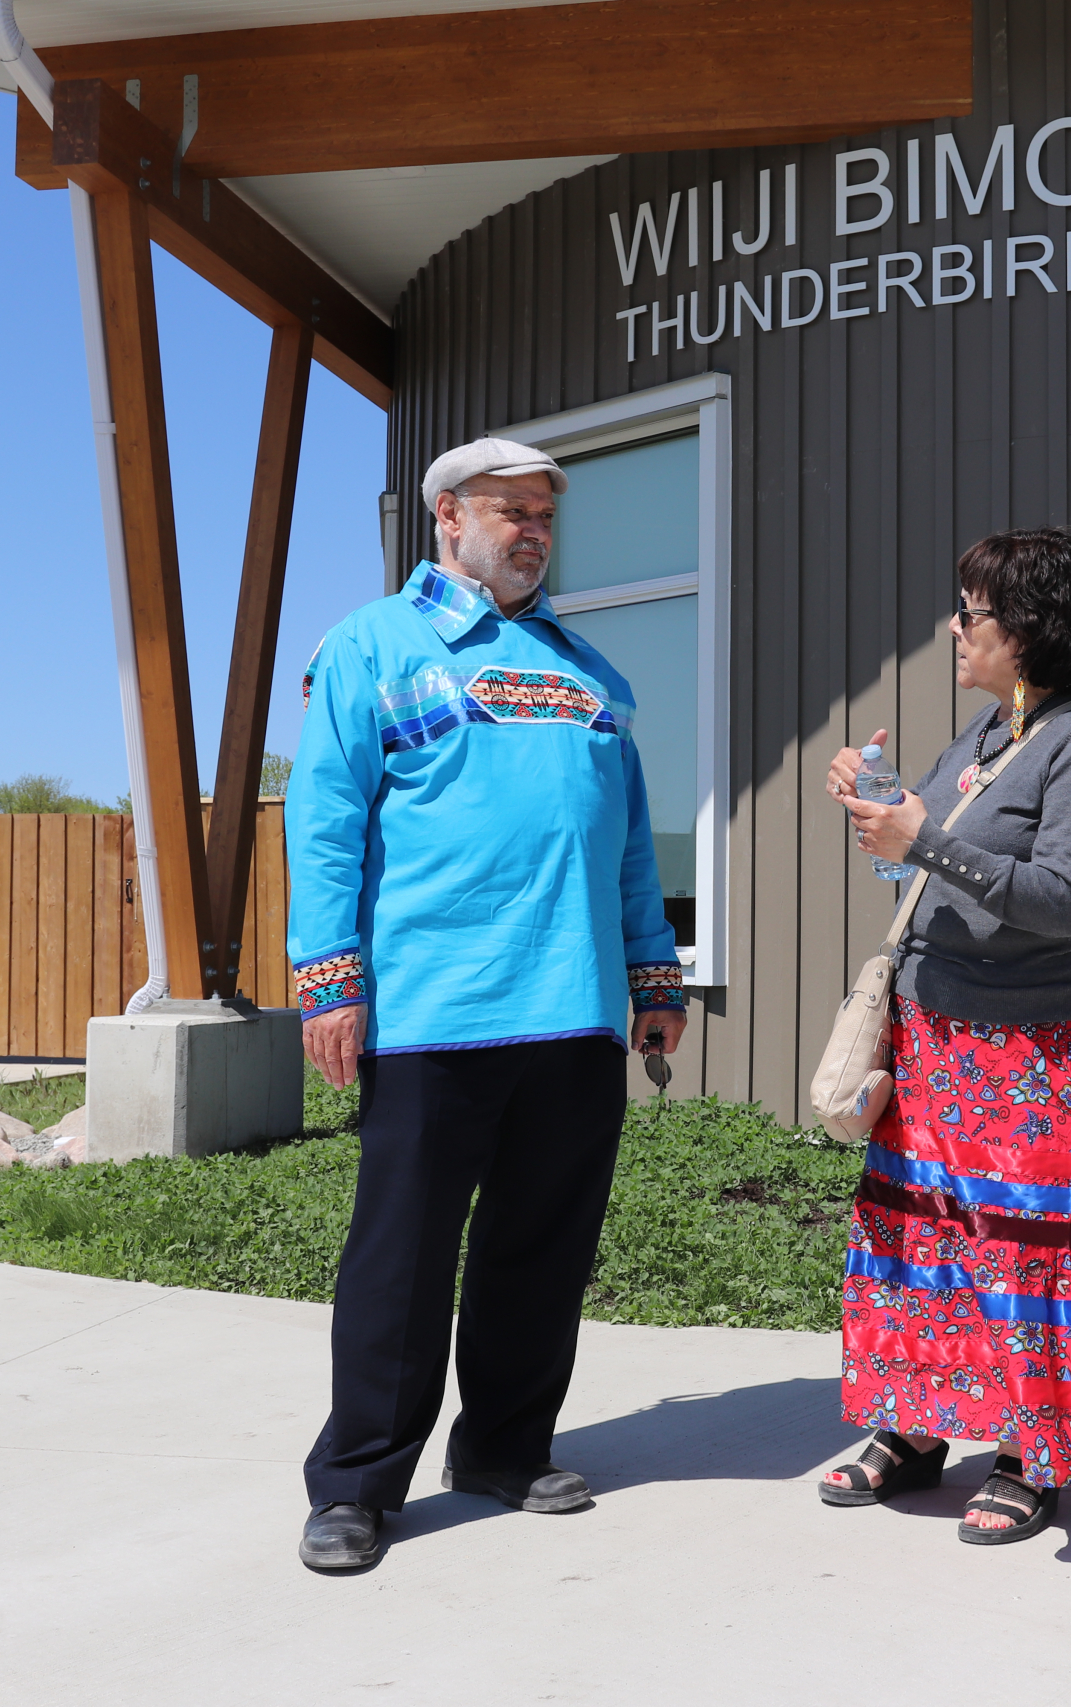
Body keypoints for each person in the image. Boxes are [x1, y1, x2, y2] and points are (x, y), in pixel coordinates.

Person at [287, 436, 687, 1573]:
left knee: (540, 1249)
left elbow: (621, 846)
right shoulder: (371, 646)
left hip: (572, 1010)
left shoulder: (587, 675)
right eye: (509, 512)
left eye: (544, 518)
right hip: (429, 1012)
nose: (530, 532)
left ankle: (506, 1449)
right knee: (399, 1259)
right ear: (446, 520)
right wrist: (330, 980)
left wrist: (652, 973)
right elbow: (322, 823)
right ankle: (359, 1483)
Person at [823, 527, 1071, 1544]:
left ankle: (1028, 1450)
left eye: (970, 613)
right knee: (921, 1241)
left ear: (1031, 627)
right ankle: (919, 1430)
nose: (954, 629)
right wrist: (885, 811)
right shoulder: (988, 735)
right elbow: (931, 864)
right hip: (935, 1045)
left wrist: (922, 839)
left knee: (1022, 1255)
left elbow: (1056, 898)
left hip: (1031, 1056)